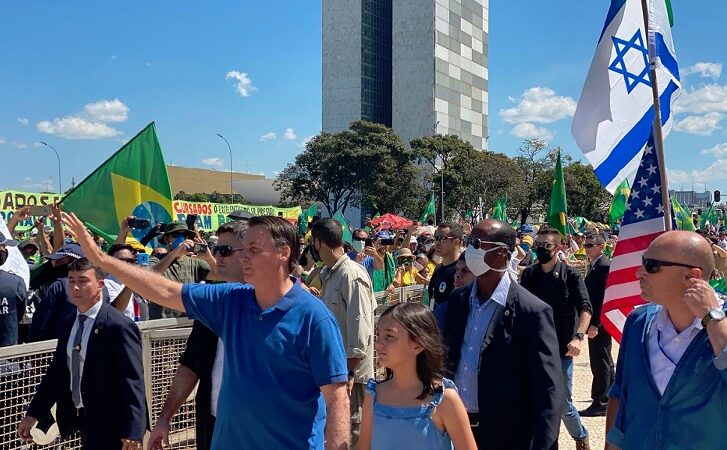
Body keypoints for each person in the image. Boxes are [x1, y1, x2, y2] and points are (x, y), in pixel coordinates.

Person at [62, 212, 350, 449]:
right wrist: (100, 259)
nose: (243, 257)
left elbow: (337, 398)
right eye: (243, 249)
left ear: (283, 253)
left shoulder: (315, 319)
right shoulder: (230, 300)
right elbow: (163, 289)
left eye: (253, 250)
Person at [438, 219, 563, 450]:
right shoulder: (459, 300)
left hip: (505, 436)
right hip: (453, 430)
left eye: (477, 243)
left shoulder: (532, 311)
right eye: (468, 242)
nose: (470, 250)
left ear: (501, 253)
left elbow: (548, 391)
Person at [606, 231, 727, 449]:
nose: (639, 272)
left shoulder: (721, 325)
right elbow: (621, 396)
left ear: (692, 276)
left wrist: (713, 318)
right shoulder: (638, 322)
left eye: (652, 265)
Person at [17, 258, 147, 449]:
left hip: (113, 424)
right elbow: (58, 372)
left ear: (100, 285)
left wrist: (133, 430)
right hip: (83, 419)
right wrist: (33, 414)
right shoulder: (70, 321)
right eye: (71, 281)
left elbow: (133, 380)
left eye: (83, 281)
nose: (75, 287)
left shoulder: (118, 326)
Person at [149, 221, 248, 450]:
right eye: (215, 250)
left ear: (251, 254)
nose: (217, 257)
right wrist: (165, 416)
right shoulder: (213, 306)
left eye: (225, 251)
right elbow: (191, 365)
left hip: (259, 432)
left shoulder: (282, 306)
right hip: (214, 427)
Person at [359, 302, 476, 450]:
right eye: (378, 335)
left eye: (389, 336)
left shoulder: (445, 400)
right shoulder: (373, 397)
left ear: (418, 344)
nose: (378, 344)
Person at [520, 227, 592, 450]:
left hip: (562, 348)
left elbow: (585, 308)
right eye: (538, 246)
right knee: (532, 398)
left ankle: (580, 436)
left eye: (546, 246)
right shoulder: (530, 274)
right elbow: (521, 306)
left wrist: (579, 337)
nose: (541, 250)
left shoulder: (570, 275)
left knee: (561, 401)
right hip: (534, 346)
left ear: (559, 247)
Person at [312, 218, 377, 448]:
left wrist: (349, 370)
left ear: (318, 242)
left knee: (353, 430)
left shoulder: (351, 273)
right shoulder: (330, 273)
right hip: (334, 370)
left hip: (351, 373)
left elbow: (360, 326)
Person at [579, 233, 614, 418]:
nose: (587, 248)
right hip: (596, 320)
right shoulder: (595, 265)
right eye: (586, 245)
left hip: (598, 321)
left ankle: (601, 400)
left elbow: (602, 298)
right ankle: (609, 395)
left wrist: (596, 324)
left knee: (600, 360)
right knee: (604, 359)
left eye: (591, 245)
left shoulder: (603, 266)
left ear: (601, 246)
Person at [148, 220, 212, 319]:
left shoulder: (194, 262)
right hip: (162, 323)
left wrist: (209, 256)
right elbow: (150, 277)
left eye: (185, 235)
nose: (182, 239)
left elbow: (220, 275)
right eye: (176, 235)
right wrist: (175, 253)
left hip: (188, 321)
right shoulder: (156, 259)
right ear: (166, 239)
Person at [27, 243, 85, 342]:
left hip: (56, 346)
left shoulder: (59, 286)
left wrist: (34, 342)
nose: (55, 265)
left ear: (74, 262)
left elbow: (41, 320)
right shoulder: (99, 285)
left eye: (59, 261)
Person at [427, 222, 463, 309]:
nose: (437, 243)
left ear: (456, 241)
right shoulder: (438, 268)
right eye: (436, 238)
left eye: (442, 238)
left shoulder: (462, 271)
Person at [0, 232, 27, 346]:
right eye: (4, 247)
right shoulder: (15, 282)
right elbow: (19, 313)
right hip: (8, 354)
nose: (4, 251)